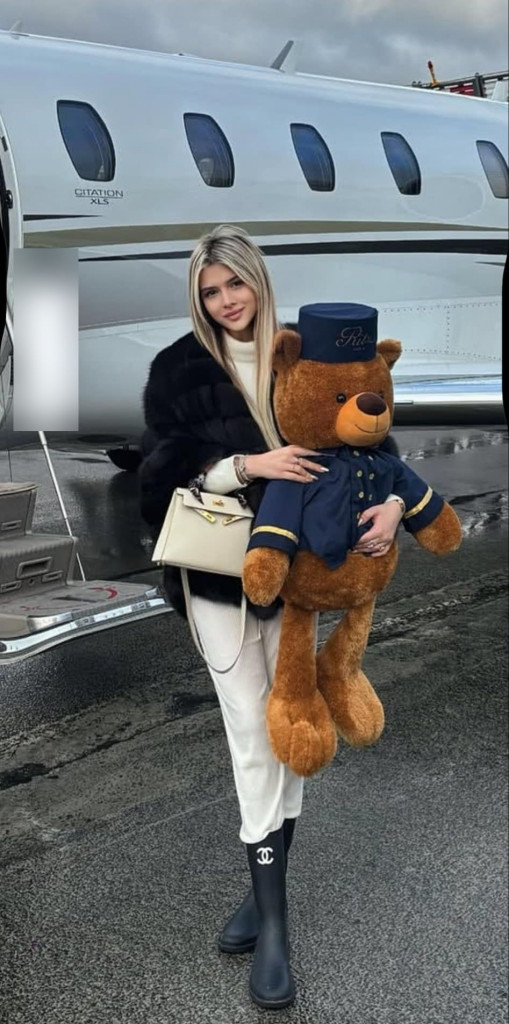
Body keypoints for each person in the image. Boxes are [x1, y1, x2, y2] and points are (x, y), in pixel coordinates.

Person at [138, 224, 405, 1010]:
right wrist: (246, 466)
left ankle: (263, 898)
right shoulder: (179, 370)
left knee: (292, 722)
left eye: (235, 284)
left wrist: (392, 507)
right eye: (210, 291)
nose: (226, 301)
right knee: (254, 736)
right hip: (219, 579)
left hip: (301, 579)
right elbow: (155, 476)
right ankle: (276, 929)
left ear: (257, 280)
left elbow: (379, 447)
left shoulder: (304, 356)